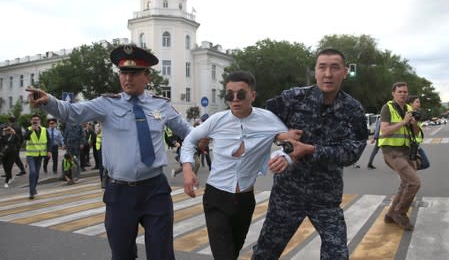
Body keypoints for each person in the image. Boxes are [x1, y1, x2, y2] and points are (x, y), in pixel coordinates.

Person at [27, 44, 193, 260]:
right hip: (120, 192)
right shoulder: (106, 104)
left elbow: (189, 132)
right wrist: (49, 101)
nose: (128, 78)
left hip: (155, 191)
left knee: (161, 254)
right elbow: (73, 113)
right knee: (122, 254)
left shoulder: (160, 106)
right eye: (123, 73)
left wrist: (196, 153)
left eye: (134, 73)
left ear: (147, 76)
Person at [252, 48, 368, 260]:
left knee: (337, 254)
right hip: (287, 195)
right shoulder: (293, 98)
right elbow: (258, 122)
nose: (328, 74)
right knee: (265, 253)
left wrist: (311, 150)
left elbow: (353, 152)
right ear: (315, 71)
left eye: (335, 68)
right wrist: (281, 135)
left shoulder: (353, 109)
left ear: (344, 72)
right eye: (322, 67)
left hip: (326, 198)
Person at [181, 70, 300, 260]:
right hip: (216, 198)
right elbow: (189, 141)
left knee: (233, 252)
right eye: (229, 95)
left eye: (241, 94)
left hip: (245, 200)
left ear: (252, 95)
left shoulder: (267, 119)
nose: (235, 100)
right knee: (224, 255)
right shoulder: (216, 120)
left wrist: (284, 157)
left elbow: (290, 143)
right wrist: (187, 169)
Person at [378, 82, 421, 231]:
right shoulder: (387, 108)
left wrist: (413, 123)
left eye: (405, 92)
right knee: (414, 182)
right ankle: (400, 213)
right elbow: (384, 131)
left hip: (406, 151)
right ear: (393, 93)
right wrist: (403, 122)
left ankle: (390, 214)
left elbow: (415, 133)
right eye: (400, 91)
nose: (403, 94)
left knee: (405, 183)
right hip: (392, 151)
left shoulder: (409, 109)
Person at [24, 114, 52, 199]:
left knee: (36, 174)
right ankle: (31, 192)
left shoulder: (44, 130)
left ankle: (34, 188)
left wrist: (49, 151)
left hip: (40, 155)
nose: (35, 121)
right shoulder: (28, 129)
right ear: (31, 121)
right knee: (32, 172)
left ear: (40, 121)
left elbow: (48, 141)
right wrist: (31, 130)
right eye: (34, 120)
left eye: (37, 120)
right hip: (31, 155)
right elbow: (25, 137)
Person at [406, 95, 431, 169]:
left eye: (419, 102)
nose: (419, 104)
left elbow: (417, 132)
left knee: (421, 164)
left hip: (416, 144)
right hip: (411, 145)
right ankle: (406, 174)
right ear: (410, 104)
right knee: (425, 163)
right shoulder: (408, 114)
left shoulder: (415, 114)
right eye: (417, 102)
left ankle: (406, 174)